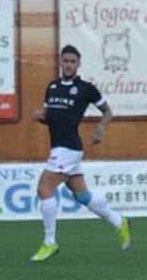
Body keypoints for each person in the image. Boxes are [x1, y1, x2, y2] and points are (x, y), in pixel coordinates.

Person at [30, 45, 131, 262]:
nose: (68, 65)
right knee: (82, 195)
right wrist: (41, 117)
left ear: (78, 64)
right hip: (58, 146)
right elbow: (52, 117)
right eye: (65, 61)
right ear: (60, 62)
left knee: (44, 188)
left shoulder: (86, 89)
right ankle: (119, 221)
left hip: (69, 148)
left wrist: (100, 128)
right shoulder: (52, 87)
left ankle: (50, 243)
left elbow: (107, 112)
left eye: (72, 62)